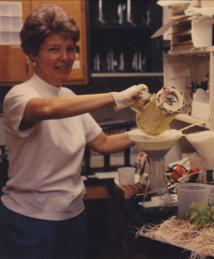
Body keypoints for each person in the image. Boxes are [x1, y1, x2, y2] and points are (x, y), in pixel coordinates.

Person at [1, 4, 148, 259]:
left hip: (73, 217)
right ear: (33, 54)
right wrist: (116, 97)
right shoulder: (20, 96)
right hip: (30, 221)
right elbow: (46, 108)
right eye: (54, 49)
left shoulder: (68, 96)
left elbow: (103, 142)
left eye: (70, 49)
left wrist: (152, 133)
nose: (65, 57)